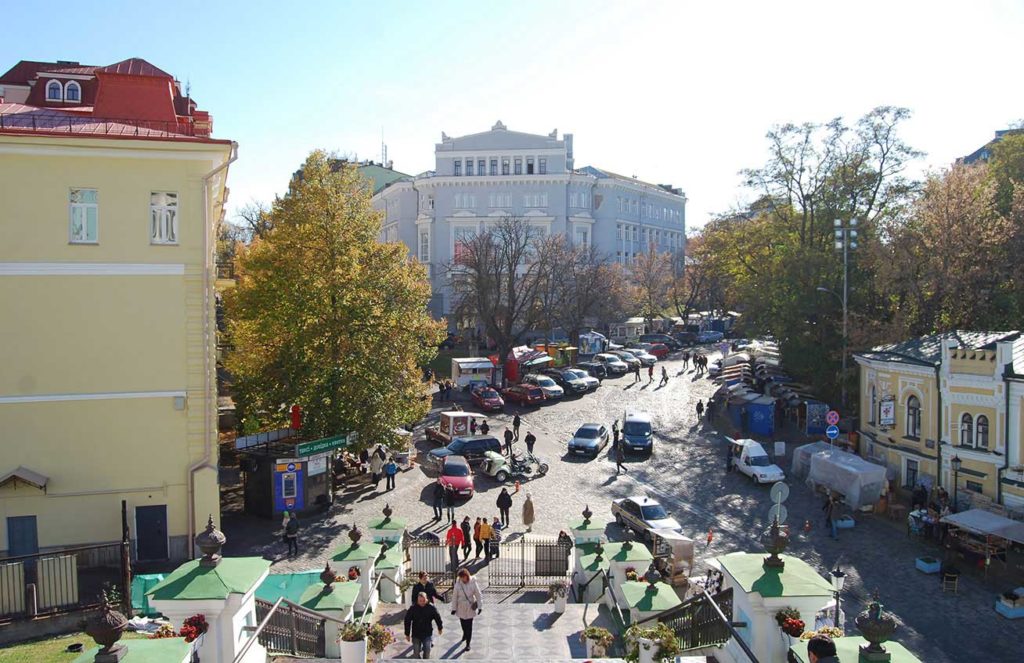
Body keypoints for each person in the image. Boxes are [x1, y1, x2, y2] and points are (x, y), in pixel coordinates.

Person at [405, 591, 444, 659]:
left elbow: (437, 618)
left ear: (426, 599)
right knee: (416, 653)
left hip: (427, 633)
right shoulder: (413, 608)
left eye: (423, 600)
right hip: (416, 634)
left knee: (427, 650)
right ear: (417, 600)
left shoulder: (431, 607)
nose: (422, 602)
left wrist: (440, 628)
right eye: (420, 601)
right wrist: (407, 634)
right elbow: (407, 621)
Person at [451, 568, 483, 651]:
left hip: (470, 607)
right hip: (461, 607)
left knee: (469, 626)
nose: (462, 579)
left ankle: (468, 643)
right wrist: (454, 608)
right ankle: (465, 633)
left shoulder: (473, 582)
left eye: (463, 577)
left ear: (466, 576)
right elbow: (454, 597)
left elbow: (478, 595)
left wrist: (480, 606)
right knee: (463, 624)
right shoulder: (458, 584)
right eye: (460, 578)